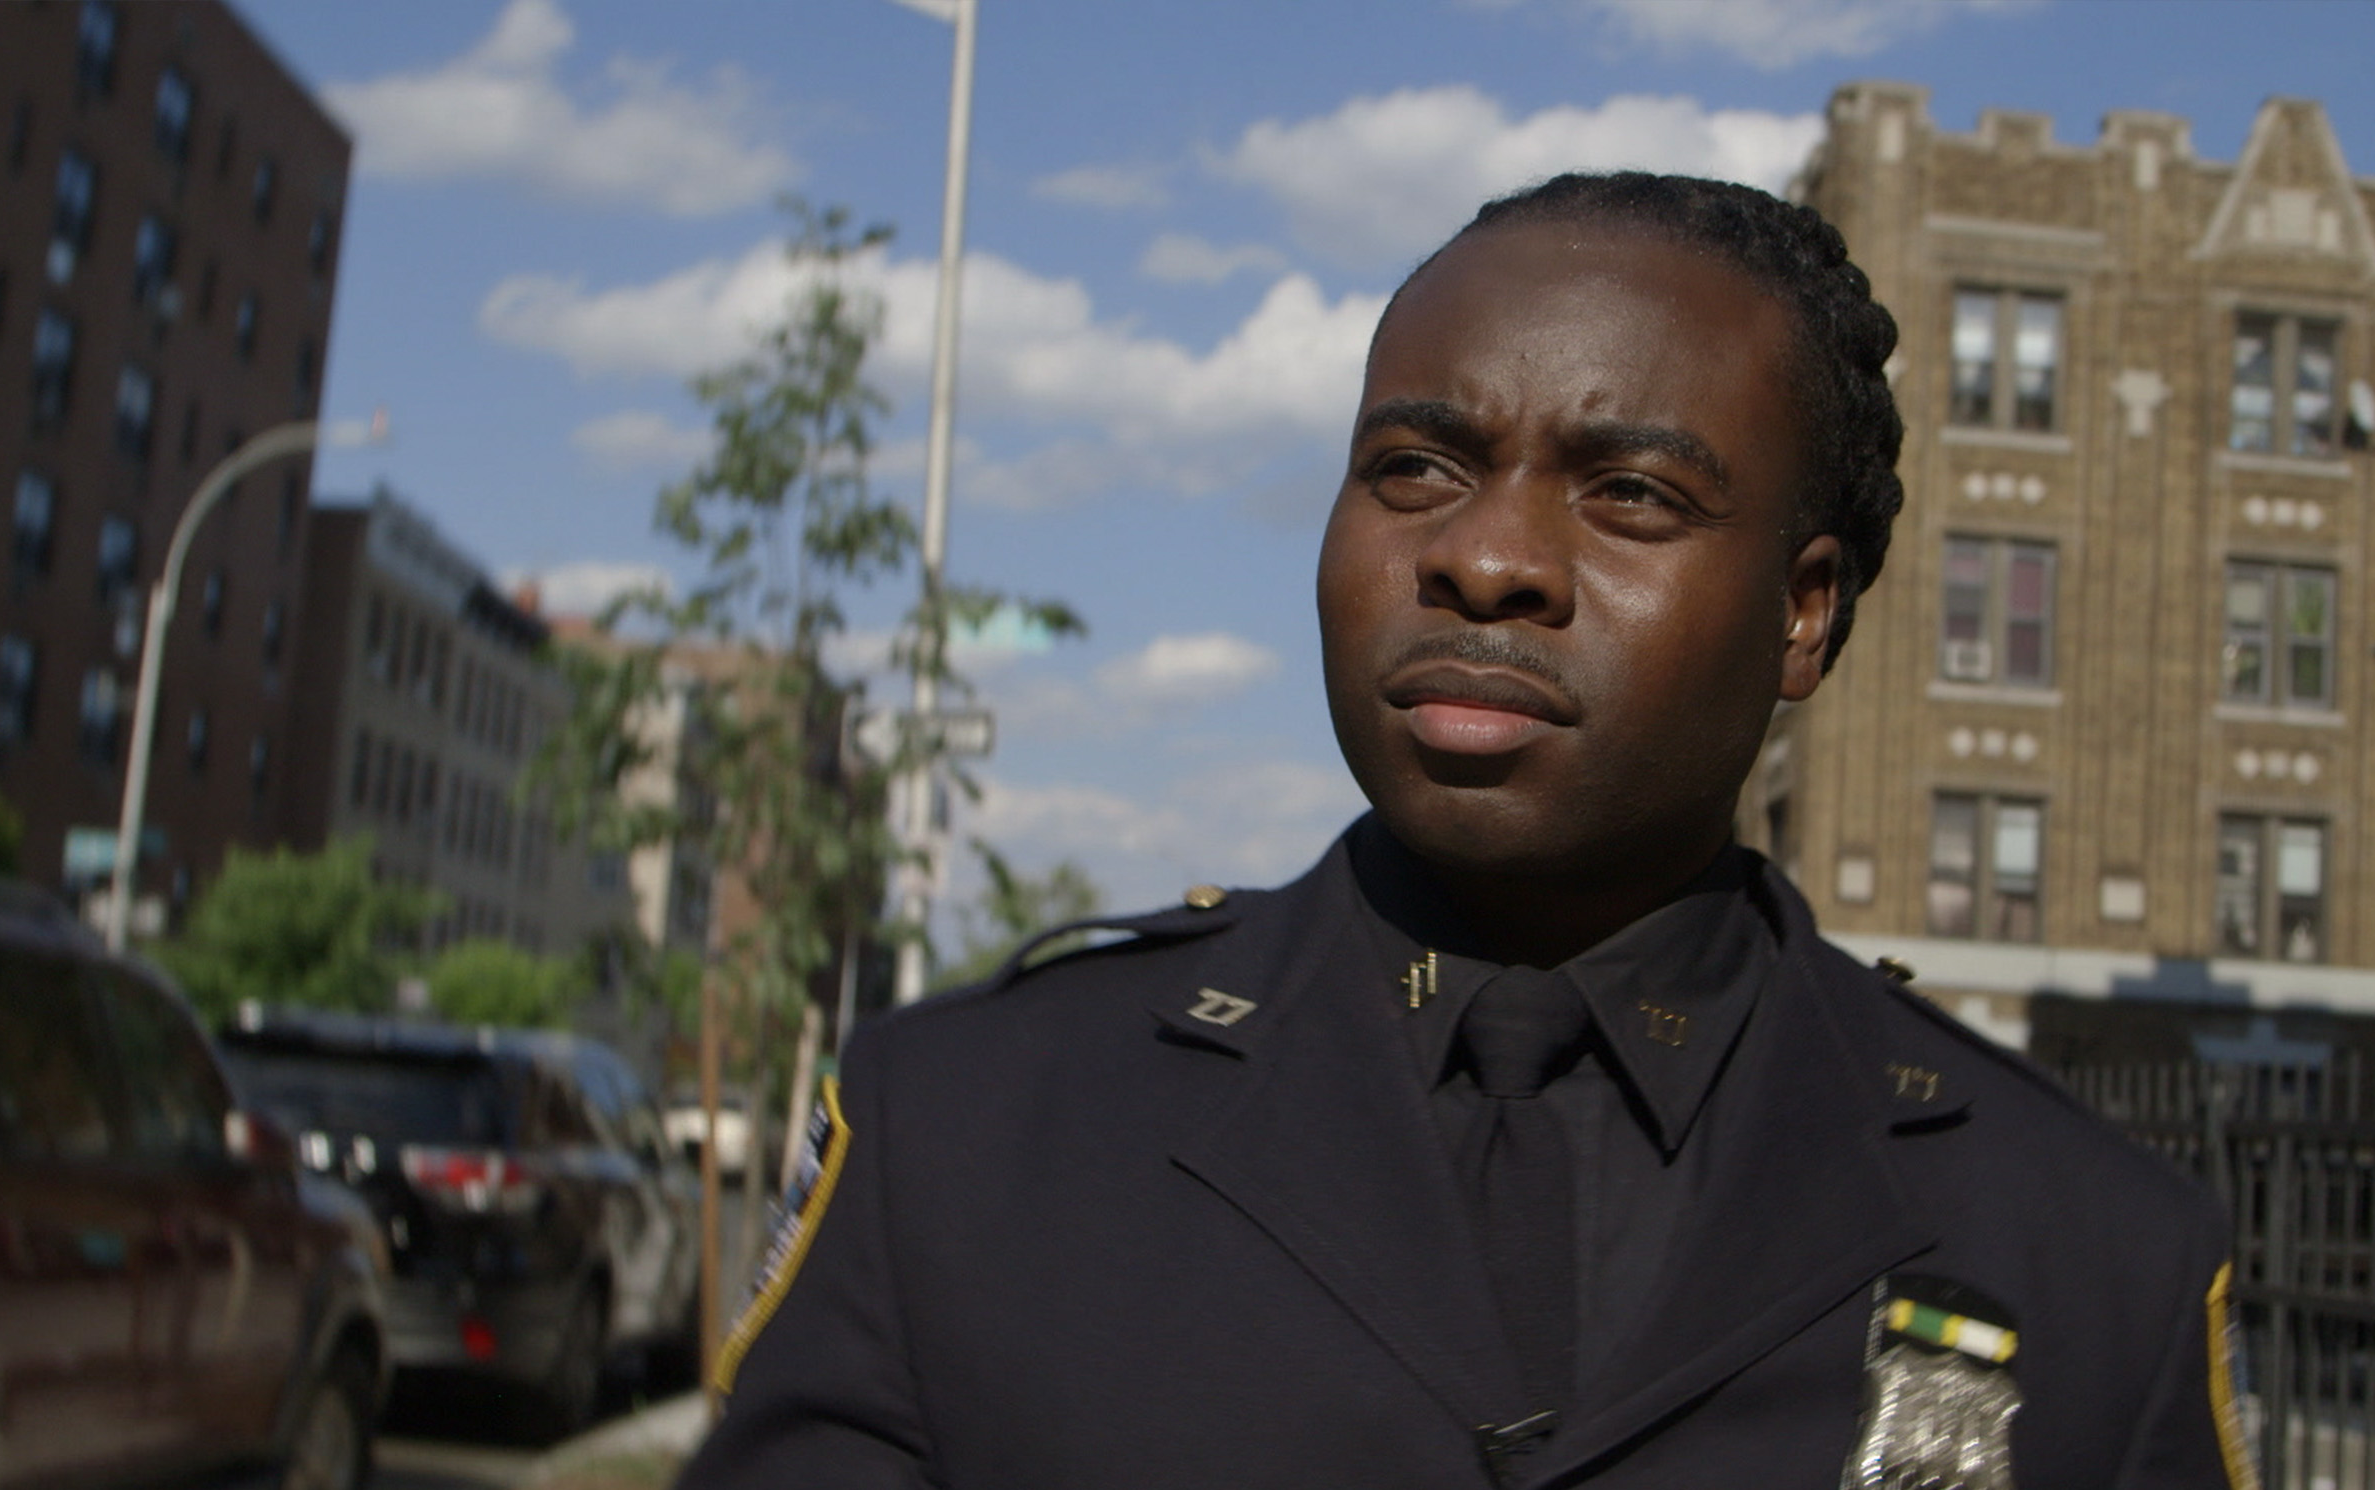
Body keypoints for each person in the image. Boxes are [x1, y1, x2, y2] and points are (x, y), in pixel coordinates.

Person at [684, 172, 2256, 1490]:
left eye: (1629, 493)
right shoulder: (955, 1141)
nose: (1487, 557)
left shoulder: (2087, 1257)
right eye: (1416, 468)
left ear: (1803, 608)